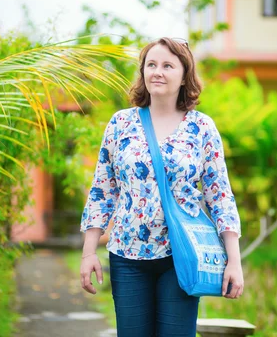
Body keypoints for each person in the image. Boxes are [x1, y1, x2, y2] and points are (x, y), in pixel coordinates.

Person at [79, 37, 243, 337]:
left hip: (180, 256)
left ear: (184, 76)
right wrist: (89, 252)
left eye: (168, 65)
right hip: (127, 257)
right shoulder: (121, 124)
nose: (158, 71)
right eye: (151, 64)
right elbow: (102, 191)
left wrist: (234, 259)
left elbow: (220, 196)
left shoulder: (201, 128)